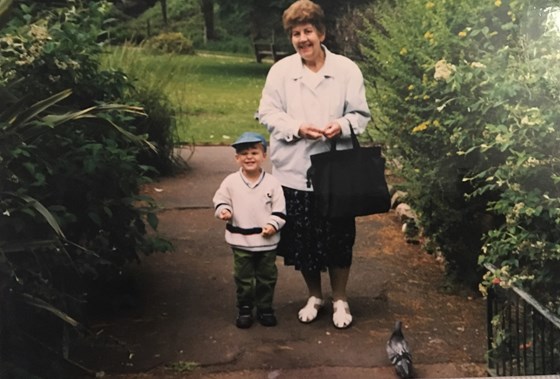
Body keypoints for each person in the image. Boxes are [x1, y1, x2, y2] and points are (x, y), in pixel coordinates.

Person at [257, 0, 371, 329]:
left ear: (321, 33)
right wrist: (297, 128)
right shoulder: (280, 71)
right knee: (303, 239)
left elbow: (361, 115)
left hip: (336, 170)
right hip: (294, 171)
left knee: (338, 236)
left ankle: (340, 298)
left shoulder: (347, 70)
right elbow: (267, 113)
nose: (302, 39)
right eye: (296, 33)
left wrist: (342, 125)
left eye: (308, 31)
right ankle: (314, 295)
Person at [213, 132, 287, 329]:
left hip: (266, 242)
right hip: (241, 241)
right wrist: (224, 210)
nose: (249, 157)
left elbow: (280, 209)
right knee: (243, 278)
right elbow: (220, 200)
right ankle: (245, 309)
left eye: (254, 152)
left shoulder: (272, 183)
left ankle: (265, 308)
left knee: (266, 277)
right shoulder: (230, 182)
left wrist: (273, 224)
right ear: (237, 158)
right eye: (244, 153)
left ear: (264, 156)